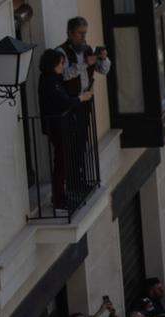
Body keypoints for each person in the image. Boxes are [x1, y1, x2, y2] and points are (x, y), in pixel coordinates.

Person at [37, 48, 93, 210]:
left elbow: (66, 96)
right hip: (57, 127)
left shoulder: (54, 79)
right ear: (53, 64)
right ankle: (59, 198)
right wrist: (81, 98)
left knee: (64, 161)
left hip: (62, 126)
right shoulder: (49, 81)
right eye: (61, 63)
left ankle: (62, 195)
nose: (63, 66)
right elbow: (63, 101)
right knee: (61, 163)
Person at [59, 16, 111, 96]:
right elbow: (63, 76)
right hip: (71, 101)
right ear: (70, 33)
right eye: (80, 33)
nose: (83, 36)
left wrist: (103, 59)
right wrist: (85, 63)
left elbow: (103, 71)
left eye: (85, 33)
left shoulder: (88, 50)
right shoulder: (61, 52)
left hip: (87, 100)